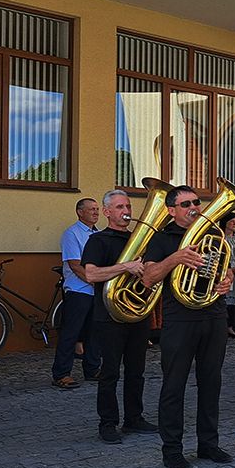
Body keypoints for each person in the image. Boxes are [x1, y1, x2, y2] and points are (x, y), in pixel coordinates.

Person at [141, 185, 235, 468]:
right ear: (171, 210)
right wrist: (176, 258)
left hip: (214, 316)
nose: (194, 207)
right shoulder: (162, 238)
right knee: (174, 385)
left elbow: (225, 267)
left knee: (211, 383)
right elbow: (148, 277)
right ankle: (172, 450)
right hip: (180, 320)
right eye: (185, 204)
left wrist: (227, 279)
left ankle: (208, 443)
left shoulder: (212, 235)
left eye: (196, 202)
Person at [81, 190, 156, 443]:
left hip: (137, 313)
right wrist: (126, 266)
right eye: (120, 207)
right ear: (107, 212)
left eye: (128, 206)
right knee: (110, 371)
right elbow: (91, 275)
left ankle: (134, 418)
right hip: (109, 315)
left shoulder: (141, 239)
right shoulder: (98, 240)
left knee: (137, 370)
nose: (126, 211)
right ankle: (108, 423)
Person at [50, 198, 101, 389]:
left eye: (97, 209)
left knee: (94, 332)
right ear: (80, 212)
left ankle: (93, 369)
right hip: (78, 289)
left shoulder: (99, 234)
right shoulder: (72, 233)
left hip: (95, 289)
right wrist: (95, 281)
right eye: (91, 210)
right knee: (70, 333)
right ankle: (61, 374)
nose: (96, 213)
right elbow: (75, 265)